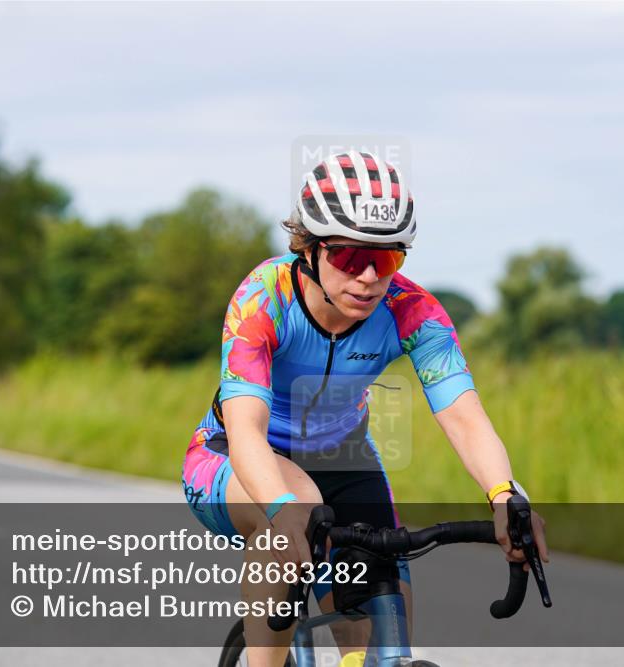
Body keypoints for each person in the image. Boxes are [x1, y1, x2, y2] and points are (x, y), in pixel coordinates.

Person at [181, 151, 549, 666]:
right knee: (294, 509)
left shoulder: (412, 311)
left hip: (344, 458)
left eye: (389, 258)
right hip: (232, 457)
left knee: (382, 631)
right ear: (308, 247)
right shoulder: (263, 299)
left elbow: (465, 416)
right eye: (351, 258)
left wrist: (504, 494)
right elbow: (247, 432)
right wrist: (283, 510)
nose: (371, 277)